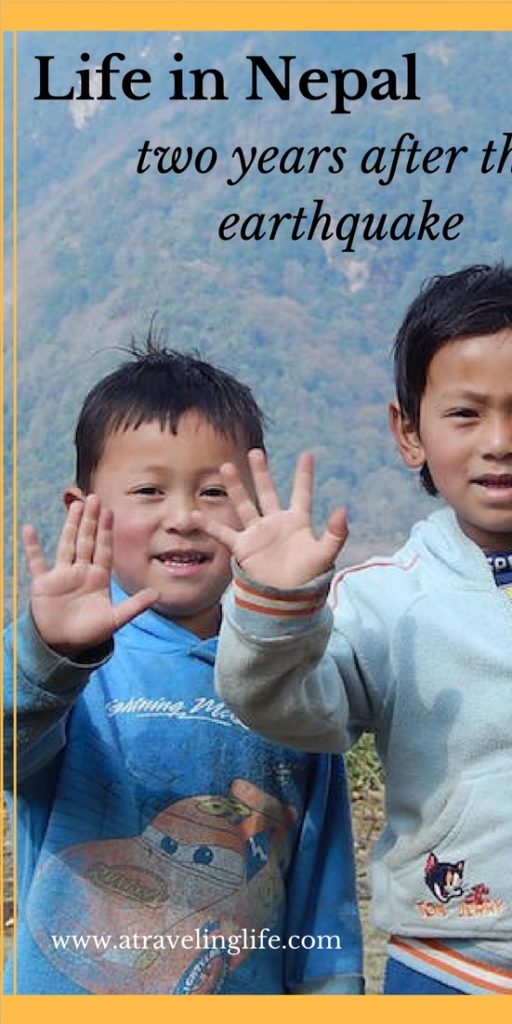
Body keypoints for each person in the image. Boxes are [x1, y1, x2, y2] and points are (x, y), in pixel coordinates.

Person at [203, 264, 512, 995]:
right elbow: (285, 707)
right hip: (441, 969)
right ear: (409, 432)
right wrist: (274, 608)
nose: (498, 441)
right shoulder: (387, 602)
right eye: (463, 414)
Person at [3, 338, 363, 995]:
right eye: (147, 490)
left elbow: (322, 890)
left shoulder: (289, 682)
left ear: (255, 503)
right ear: (83, 510)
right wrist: (46, 656)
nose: (184, 518)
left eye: (211, 492)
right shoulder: (62, 669)